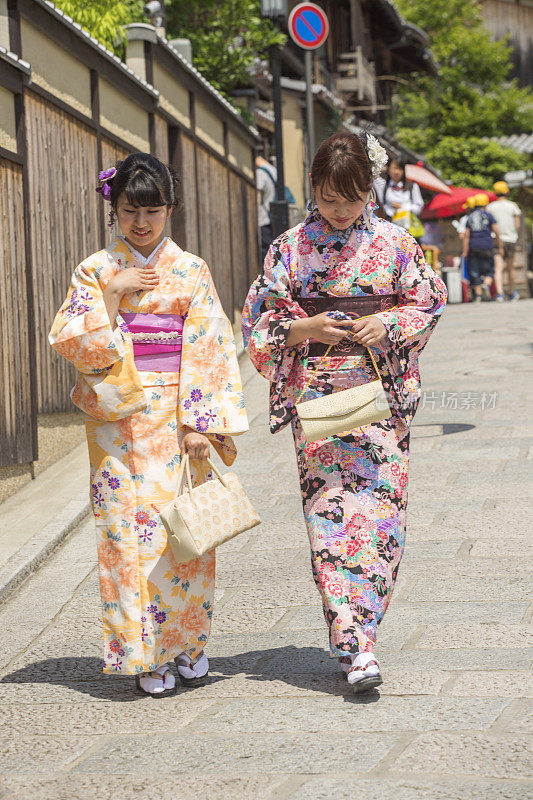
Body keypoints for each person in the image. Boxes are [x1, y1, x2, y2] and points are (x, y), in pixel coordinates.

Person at [242, 133, 446, 693]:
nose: (339, 211)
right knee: (331, 520)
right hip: (320, 400)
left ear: (369, 191)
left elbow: (428, 299)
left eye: (352, 199)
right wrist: (301, 327)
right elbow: (258, 316)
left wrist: (389, 324)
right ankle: (354, 646)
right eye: (330, 199)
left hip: (380, 401)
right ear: (313, 189)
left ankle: (368, 632)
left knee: (381, 520)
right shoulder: (289, 247)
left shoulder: (396, 243)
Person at [49, 153, 248, 696]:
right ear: (113, 210)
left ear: (169, 210)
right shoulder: (95, 270)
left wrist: (200, 422)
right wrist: (113, 295)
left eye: (153, 211)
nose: (142, 223)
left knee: (183, 535)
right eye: (131, 211)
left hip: (178, 421)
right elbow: (73, 340)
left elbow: (210, 347)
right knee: (126, 540)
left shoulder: (191, 270)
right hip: (119, 425)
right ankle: (144, 656)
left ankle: (187, 645)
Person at [462, 193, 503, 302]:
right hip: (487, 245)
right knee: (490, 270)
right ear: (485, 204)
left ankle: (479, 296)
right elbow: (497, 232)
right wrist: (500, 246)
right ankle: (486, 284)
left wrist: (465, 251)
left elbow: (466, 235)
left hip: (473, 246)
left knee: (474, 271)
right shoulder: (488, 215)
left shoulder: (470, 217)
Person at [487, 181, 522, 302]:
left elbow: (489, 225)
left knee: (498, 268)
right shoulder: (513, 206)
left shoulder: (490, 207)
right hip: (511, 239)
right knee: (511, 268)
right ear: (506, 191)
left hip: (496, 240)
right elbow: (517, 225)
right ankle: (512, 292)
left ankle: (500, 294)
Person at [374, 157, 424, 222]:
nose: (396, 172)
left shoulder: (412, 186)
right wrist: (383, 169)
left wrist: (403, 207)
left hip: (406, 224)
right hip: (387, 222)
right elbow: (372, 175)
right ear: (388, 169)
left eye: (400, 169)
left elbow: (419, 207)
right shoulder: (383, 185)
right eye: (394, 168)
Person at [256, 153, 278, 262]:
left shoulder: (260, 172)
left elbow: (258, 196)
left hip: (264, 216)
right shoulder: (273, 170)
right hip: (274, 214)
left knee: (265, 251)